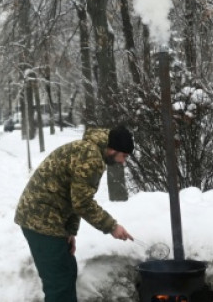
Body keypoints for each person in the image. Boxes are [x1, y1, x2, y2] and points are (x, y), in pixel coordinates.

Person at [15, 125, 135, 302]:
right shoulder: (90, 157)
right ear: (112, 150)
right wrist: (112, 227)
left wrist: (70, 231)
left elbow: (74, 196)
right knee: (59, 283)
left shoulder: (90, 151)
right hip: (40, 219)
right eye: (123, 156)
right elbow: (82, 203)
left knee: (68, 271)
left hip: (49, 218)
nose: (122, 162)